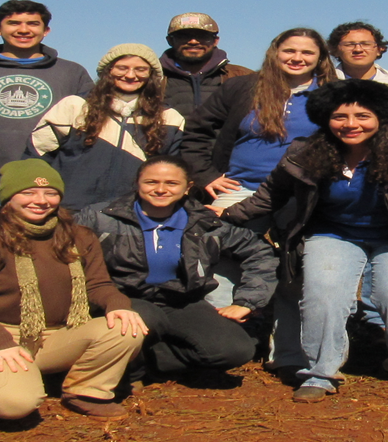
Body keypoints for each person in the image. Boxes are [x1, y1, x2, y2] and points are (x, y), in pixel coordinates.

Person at [221, 79, 388, 402]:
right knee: (323, 292)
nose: (351, 124)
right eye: (340, 116)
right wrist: (225, 216)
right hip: (333, 233)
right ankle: (320, 370)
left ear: (381, 117)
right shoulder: (305, 152)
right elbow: (270, 195)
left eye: (362, 116)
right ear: (326, 118)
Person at [0, 159, 148, 420]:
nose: (41, 200)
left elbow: (98, 284)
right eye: (28, 192)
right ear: (8, 197)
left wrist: (118, 304)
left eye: (50, 193)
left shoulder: (79, 236)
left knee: (126, 327)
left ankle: (86, 391)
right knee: (14, 405)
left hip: (59, 334)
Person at [78, 156, 277, 379]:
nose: (161, 189)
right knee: (148, 317)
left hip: (181, 300)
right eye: (151, 182)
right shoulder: (101, 218)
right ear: (137, 183)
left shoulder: (206, 222)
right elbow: (64, 251)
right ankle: (125, 370)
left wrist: (247, 301)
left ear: (188, 187)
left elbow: (261, 253)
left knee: (235, 350)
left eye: (172, 183)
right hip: (122, 298)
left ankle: (142, 363)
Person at [0, 0, 96, 241]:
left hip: (48, 182)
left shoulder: (72, 72)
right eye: (14, 23)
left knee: (48, 255)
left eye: (32, 23)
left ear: (45, 30)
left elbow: (88, 125)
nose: (23, 29)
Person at [180, 28, 338, 208]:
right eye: (289, 51)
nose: (297, 58)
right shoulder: (242, 87)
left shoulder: (334, 94)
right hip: (241, 189)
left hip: (306, 193)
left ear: (320, 57)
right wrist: (206, 175)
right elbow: (196, 131)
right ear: (274, 53)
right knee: (215, 226)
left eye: (307, 53)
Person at [31, 43, 186, 210]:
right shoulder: (74, 106)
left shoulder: (169, 118)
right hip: (71, 211)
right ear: (108, 71)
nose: (130, 75)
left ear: (151, 75)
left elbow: (174, 173)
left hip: (134, 214)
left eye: (141, 69)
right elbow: (36, 157)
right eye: (122, 68)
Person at [160, 12, 256, 117]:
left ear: (215, 41)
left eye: (202, 36)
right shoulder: (154, 77)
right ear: (170, 40)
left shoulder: (244, 77)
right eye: (184, 36)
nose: (193, 41)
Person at [328, 21, 388, 89]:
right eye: (349, 45)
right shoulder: (323, 83)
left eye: (366, 44)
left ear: (379, 49)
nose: (358, 50)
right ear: (335, 50)